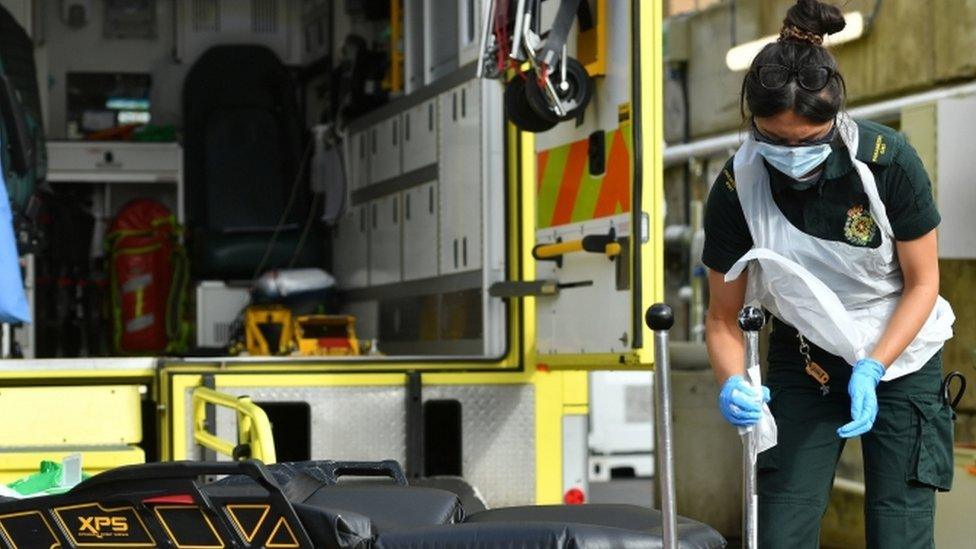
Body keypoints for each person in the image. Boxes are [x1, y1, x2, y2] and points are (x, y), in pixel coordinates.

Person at [701, 0, 956, 547]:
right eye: (774, 141)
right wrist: (732, 383)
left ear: (835, 120)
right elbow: (722, 318)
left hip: (902, 352)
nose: (792, 154)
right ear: (753, 125)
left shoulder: (888, 161)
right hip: (806, 357)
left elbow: (924, 284)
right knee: (781, 524)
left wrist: (873, 367)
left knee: (899, 528)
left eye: (808, 141)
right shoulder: (736, 187)